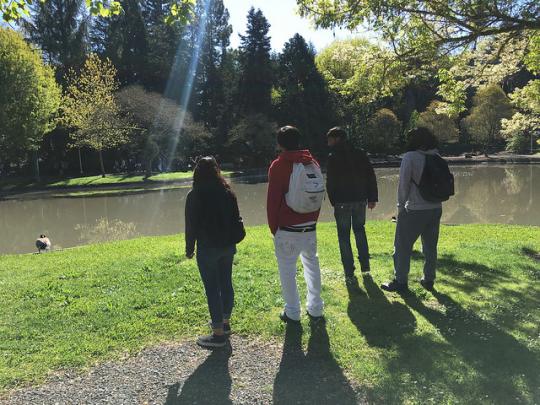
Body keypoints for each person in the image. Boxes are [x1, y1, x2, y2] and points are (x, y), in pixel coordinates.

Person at [267, 126, 325, 323]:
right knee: (312, 266)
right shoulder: (312, 162)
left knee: (287, 271)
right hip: (310, 226)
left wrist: (274, 227)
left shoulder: (279, 165)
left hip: (287, 228)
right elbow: (317, 196)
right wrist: (313, 220)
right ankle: (316, 308)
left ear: (280, 143)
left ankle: (292, 312)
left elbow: (273, 201)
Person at [185, 157, 242, 348]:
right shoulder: (228, 192)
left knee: (212, 289)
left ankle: (217, 335)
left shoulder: (194, 195)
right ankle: (225, 323)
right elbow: (236, 218)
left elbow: (190, 225)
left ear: (197, 172)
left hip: (208, 248)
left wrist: (189, 248)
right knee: (226, 283)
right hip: (227, 246)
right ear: (217, 170)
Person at [381, 127, 444, 292]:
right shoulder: (436, 156)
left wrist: (400, 208)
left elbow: (403, 185)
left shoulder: (410, 157)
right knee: (430, 247)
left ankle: (401, 282)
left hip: (415, 209)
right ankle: (429, 280)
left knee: (402, 247)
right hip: (436, 207)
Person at [326, 127, 378, 283]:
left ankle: (349, 271)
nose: (328, 142)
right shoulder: (360, 153)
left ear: (336, 139)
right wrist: (372, 197)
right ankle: (365, 266)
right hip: (360, 199)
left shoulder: (333, 156)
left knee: (343, 236)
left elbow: (331, 182)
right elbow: (370, 176)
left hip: (342, 201)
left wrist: (333, 200)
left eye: (329, 139)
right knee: (360, 231)